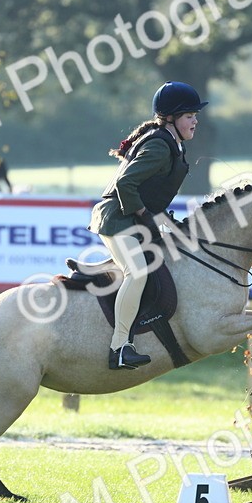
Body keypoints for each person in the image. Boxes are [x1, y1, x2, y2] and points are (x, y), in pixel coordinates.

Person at [89, 81, 204, 370]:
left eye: (194, 115)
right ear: (171, 118)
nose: (195, 120)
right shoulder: (159, 145)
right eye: (189, 115)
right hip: (116, 217)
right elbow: (126, 184)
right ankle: (118, 347)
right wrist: (144, 214)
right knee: (137, 272)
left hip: (129, 218)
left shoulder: (170, 143)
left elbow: (150, 194)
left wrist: (162, 220)